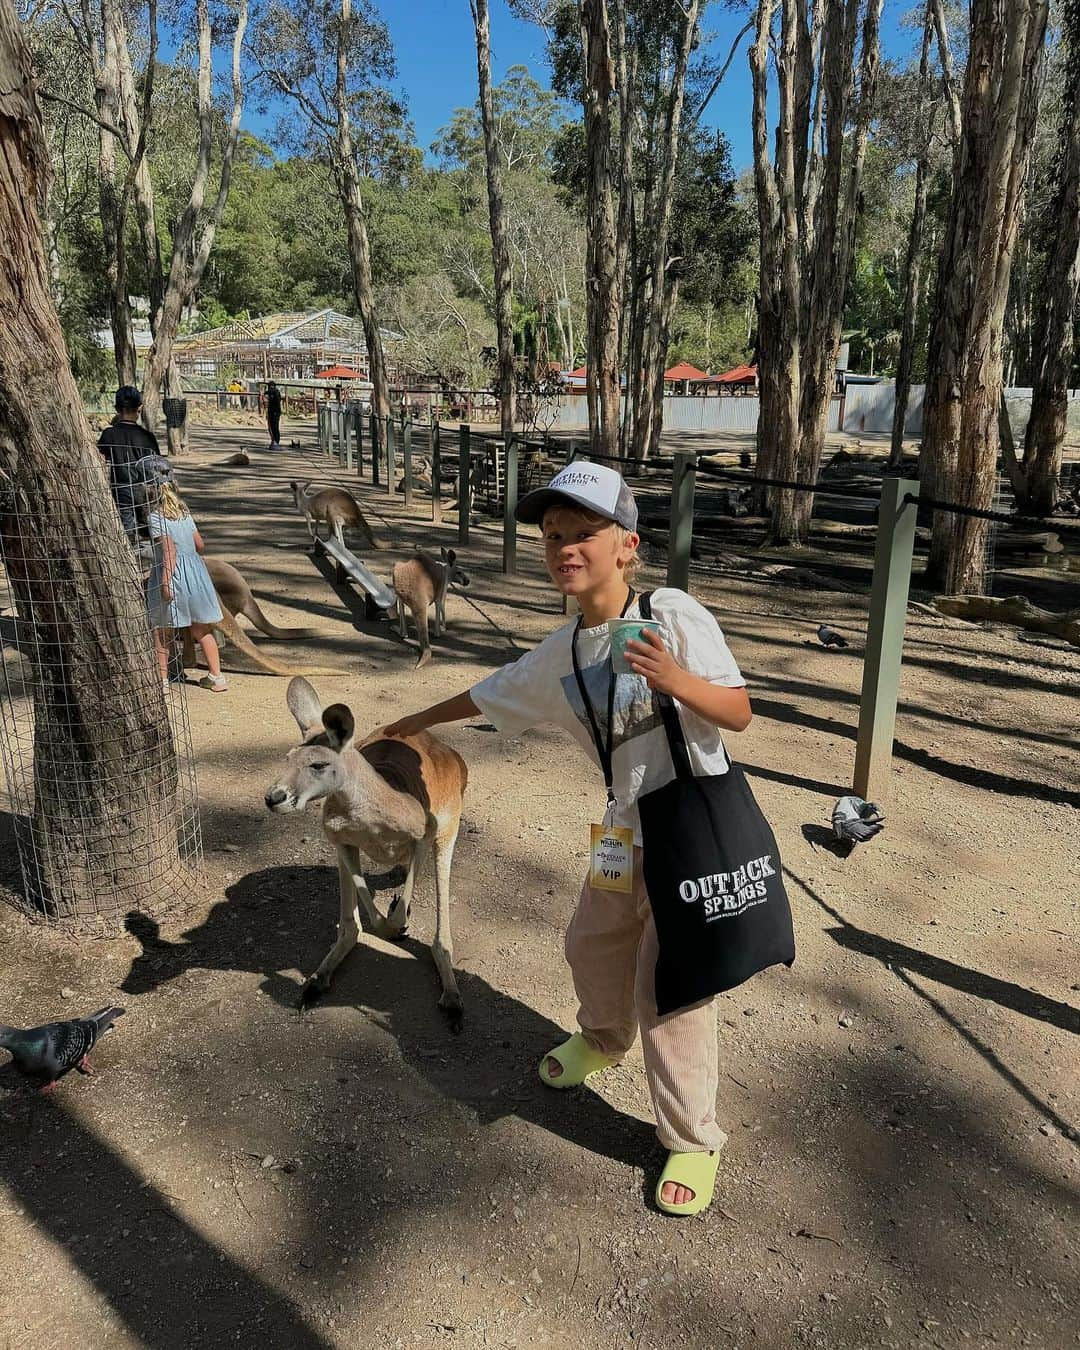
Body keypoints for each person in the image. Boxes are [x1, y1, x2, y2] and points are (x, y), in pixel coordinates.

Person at [383, 462, 752, 1217]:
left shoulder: (672, 612)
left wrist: (675, 679)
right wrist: (412, 722)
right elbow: (493, 691)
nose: (565, 548)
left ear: (628, 546)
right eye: (553, 536)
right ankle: (603, 1038)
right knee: (591, 944)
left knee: (671, 991)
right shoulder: (563, 651)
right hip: (625, 831)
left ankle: (690, 1137)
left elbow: (738, 711)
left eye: (585, 533)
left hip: (690, 827)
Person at [146, 480, 227, 693]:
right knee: (201, 629)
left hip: (172, 575)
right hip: (196, 573)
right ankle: (217, 677)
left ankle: (162, 682)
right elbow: (200, 545)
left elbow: (169, 551)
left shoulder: (155, 518)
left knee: (162, 631)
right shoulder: (185, 514)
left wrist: (164, 582)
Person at [98, 385, 162, 546]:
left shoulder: (109, 434)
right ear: (139, 408)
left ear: (116, 408)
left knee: (127, 530)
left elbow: (99, 458)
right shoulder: (147, 437)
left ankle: (132, 557)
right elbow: (157, 465)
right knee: (151, 529)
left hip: (121, 490)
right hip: (146, 491)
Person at [266, 380, 282, 449]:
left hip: (275, 412)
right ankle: (273, 441)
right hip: (271, 412)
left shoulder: (276, 392)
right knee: (271, 427)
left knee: (275, 427)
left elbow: (277, 402)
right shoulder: (270, 393)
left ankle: (276, 442)